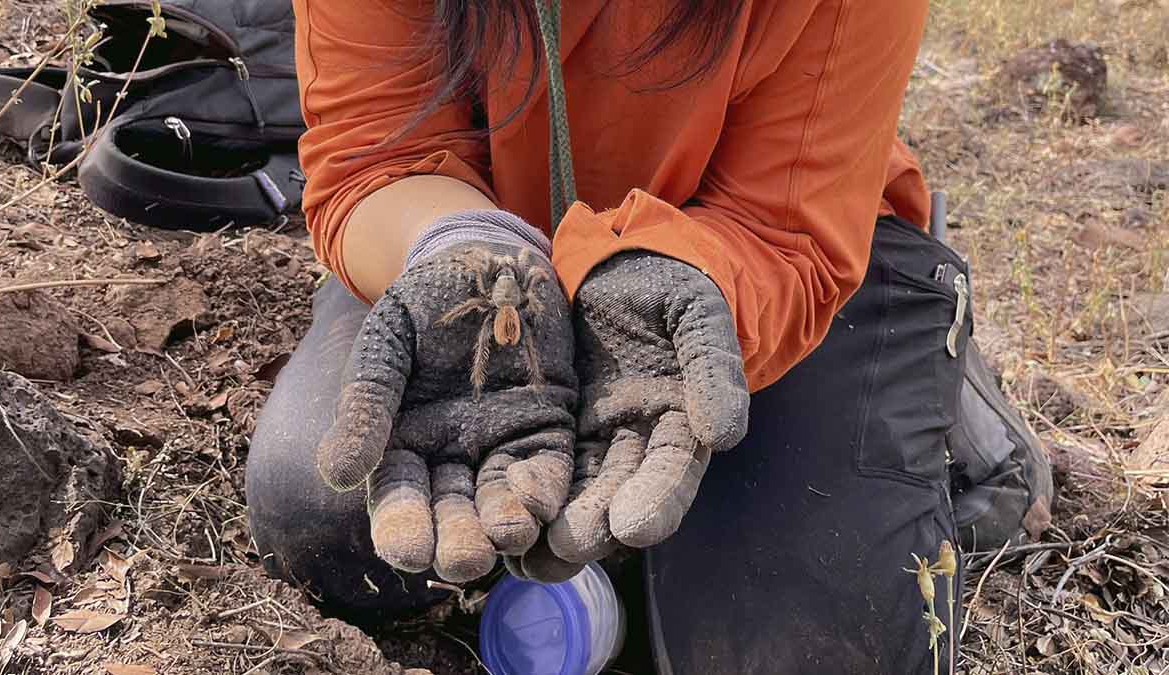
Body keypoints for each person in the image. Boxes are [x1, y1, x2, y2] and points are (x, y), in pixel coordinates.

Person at [245, 1, 1036, 672]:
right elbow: (379, 148)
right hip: (463, 223)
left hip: (757, 252)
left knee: (812, 643)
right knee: (322, 514)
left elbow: (784, 219)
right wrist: (461, 252)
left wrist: (675, 284)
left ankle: (948, 386)